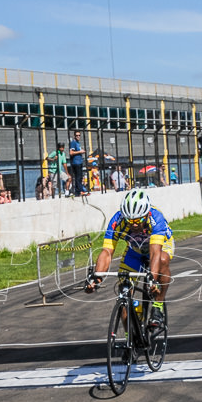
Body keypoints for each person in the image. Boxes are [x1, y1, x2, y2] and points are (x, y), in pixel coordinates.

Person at [84, 189, 174, 330]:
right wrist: (97, 277)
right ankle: (130, 341)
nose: (134, 224)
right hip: (134, 250)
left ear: (145, 214)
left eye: (138, 220)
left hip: (160, 247)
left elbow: (155, 253)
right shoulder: (117, 220)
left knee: (162, 260)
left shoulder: (156, 217)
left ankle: (157, 306)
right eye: (130, 221)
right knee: (124, 293)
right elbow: (107, 251)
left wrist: (153, 279)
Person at [68, 131, 86, 195]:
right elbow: (71, 152)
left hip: (79, 162)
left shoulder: (78, 143)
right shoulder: (73, 142)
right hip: (76, 162)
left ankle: (77, 192)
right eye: (77, 135)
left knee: (80, 177)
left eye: (79, 135)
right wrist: (80, 152)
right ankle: (80, 191)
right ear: (74, 136)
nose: (78, 136)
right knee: (78, 177)